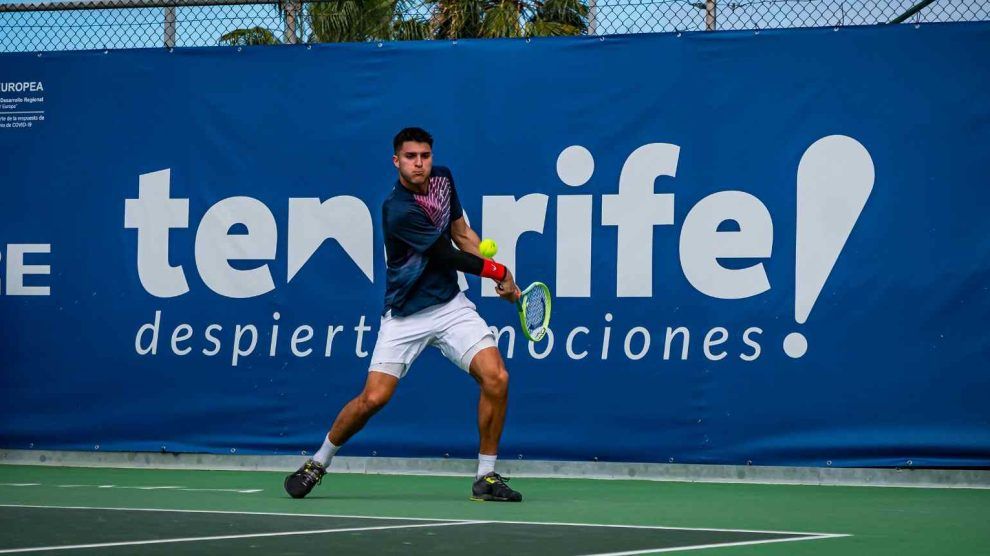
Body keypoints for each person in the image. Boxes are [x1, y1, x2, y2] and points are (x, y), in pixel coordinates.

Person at [284, 127, 523, 502]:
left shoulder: (443, 179)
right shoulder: (397, 209)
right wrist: (499, 273)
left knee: (497, 378)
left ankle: (486, 477)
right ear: (396, 161)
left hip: (450, 306)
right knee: (374, 399)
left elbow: (461, 234)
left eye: (425, 156)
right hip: (405, 316)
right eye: (411, 157)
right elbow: (445, 254)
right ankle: (319, 461)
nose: (419, 163)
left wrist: (496, 269)